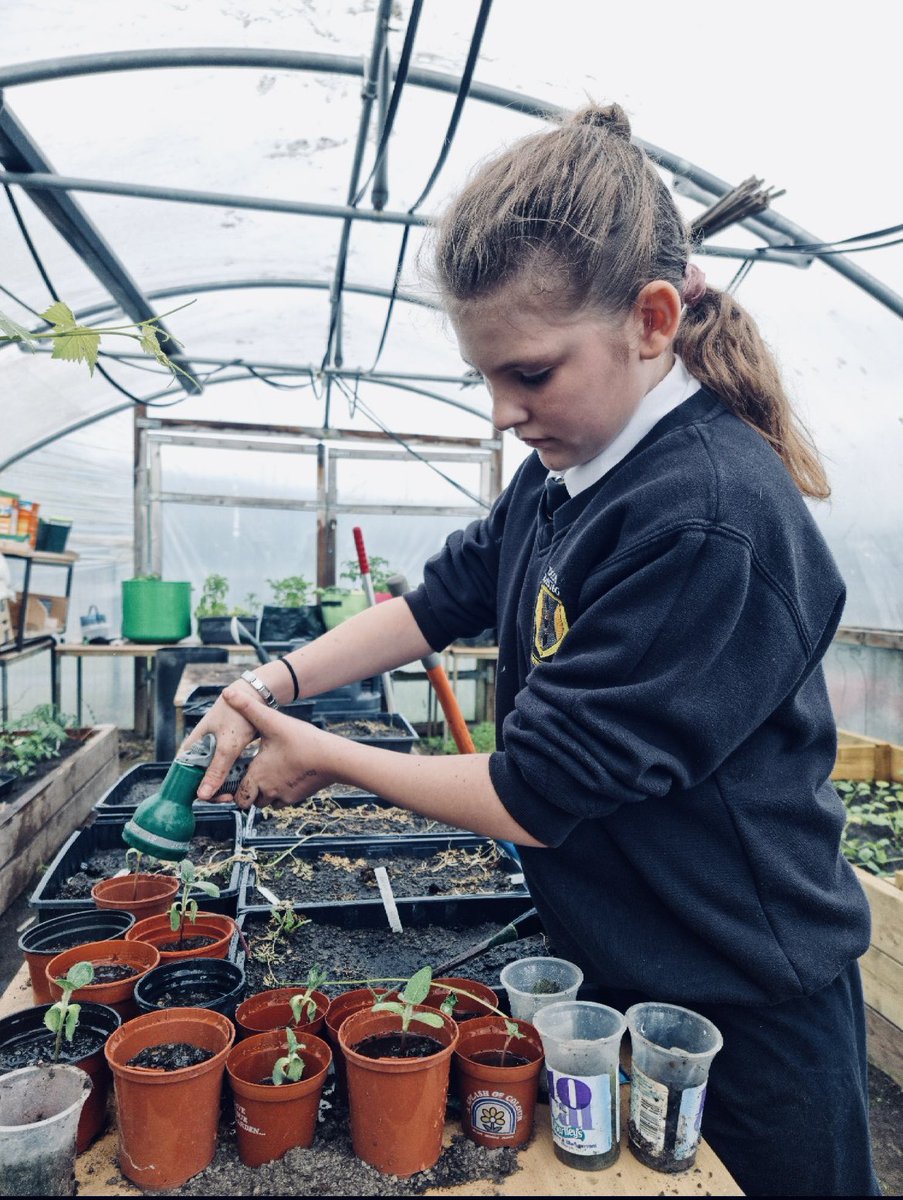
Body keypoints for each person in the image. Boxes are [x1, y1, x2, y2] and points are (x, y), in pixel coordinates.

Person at [189, 103, 879, 1196]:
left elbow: (536, 791)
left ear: (653, 319)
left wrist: (325, 755)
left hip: (740, 1004)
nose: (506, 412)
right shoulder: (569, 471)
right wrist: (269, 682)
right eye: (488, 379)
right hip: (621, 955)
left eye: (531, 375)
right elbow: (440, 600)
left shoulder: (703, 515)